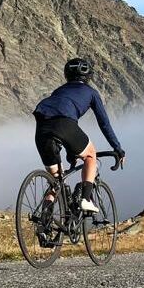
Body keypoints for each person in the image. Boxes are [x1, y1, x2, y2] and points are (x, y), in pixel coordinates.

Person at [33, 57, 125, 213]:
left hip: (41, 126)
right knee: (90, 155)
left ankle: (44, 222)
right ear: (88, 76)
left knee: (56, 181)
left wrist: (71, 151)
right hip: (65, 123)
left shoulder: (59, 91)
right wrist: (118, 148)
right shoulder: (91, 92)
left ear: (66, 75)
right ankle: (86, 199)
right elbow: (104, 123)